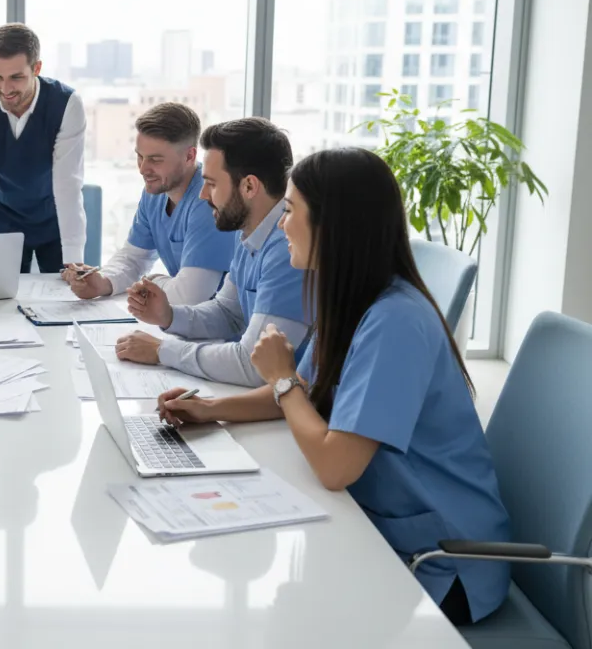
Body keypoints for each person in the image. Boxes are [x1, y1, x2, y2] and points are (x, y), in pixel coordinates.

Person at [155, 147, 511, 626]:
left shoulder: (395, 321)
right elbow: (307, 392)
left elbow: (334, 466)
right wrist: (213, 409)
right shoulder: (352, 297)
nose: (282, 225)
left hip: (442, 564)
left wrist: (281, 379)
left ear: (332, 226)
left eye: (291, 212)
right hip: (386, 527)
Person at [116, 118, 309, 387]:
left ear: (250, 187)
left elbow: (254, 366)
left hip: (288, 405)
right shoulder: (250, 235)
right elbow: (227, 314)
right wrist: (169, 316)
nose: (203, 195)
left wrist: (162, 351)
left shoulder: (287, 250)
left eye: (212, 184)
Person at [60, 102, 234, 304]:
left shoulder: (209, 202)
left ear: (189, 156)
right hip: (185, 321)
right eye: (140, 156)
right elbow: (134, 258)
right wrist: (102, 282)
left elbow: (190, 295)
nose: (143, 169)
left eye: (155, 160)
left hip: (220, 328)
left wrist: (151, 281)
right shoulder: (155, 192)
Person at [0, 23, 86, 273]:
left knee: (64, 300)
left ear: (37, 68)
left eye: (16, 77)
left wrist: (73, 256)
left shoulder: (67, 104)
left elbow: (67, 184)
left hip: (54, 221)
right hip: (1, 222)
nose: (5, 90)